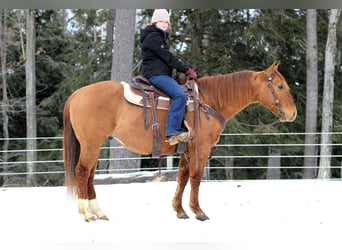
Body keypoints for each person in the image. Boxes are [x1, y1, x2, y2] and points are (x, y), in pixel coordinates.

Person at [140, 9, 198, 146]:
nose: (165, 24)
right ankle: (173, 131)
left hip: (158, 73)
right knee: (179, 95)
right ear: (155, 22)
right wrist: (186, 69)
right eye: (161, 21)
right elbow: (168, 58)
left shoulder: (156, 36)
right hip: (156, 74)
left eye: (167, 22)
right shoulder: (154, 37)